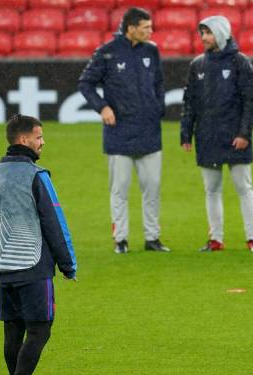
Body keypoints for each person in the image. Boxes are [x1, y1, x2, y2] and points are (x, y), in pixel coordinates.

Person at [0, 114, 77, 375]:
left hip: (3, 265)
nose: (42, 142)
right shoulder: (37, 176)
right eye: (39, 137)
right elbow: (54, 222)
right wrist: (67, 263)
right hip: (33, 264)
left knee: (13, 330)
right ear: (24, 140)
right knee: (40, 329)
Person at [78, 7, 169, 254]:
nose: (151, 31)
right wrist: (103, 107)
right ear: (131, 28)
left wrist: (157, 107)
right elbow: (85, 83)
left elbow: (159, 83)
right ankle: (121, 240)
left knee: (152, 189)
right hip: (119, 133)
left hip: (149, 131)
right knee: (119, 190)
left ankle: (153, 238)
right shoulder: (107, 53)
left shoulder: (152, 50)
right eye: (146, 27)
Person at [181, 16, 253, 252]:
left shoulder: (241, 63)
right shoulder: (197, 65)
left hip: (236, 139)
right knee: (212, 190)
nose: (204, 38)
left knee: (244, 188)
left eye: (208, 33)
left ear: (221, 33)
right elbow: (190, 102)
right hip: (207, 137)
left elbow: (251, 100)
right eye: (202, 33)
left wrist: (244, 133)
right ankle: (215, 239)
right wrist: (186, 134)